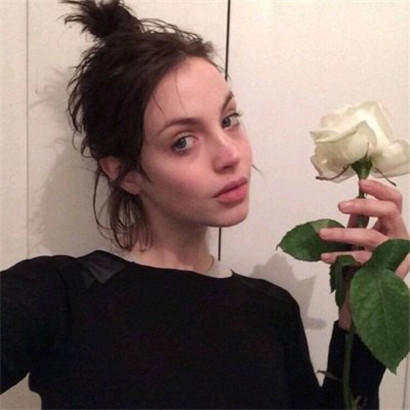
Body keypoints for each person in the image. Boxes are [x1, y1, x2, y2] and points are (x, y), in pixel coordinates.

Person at [1, 0, 408, 408]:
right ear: (125, 172)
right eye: (182, 141)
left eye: (229, 120)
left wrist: (361, 319)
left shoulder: (271, 310)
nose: (230, 154)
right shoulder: (58, 296)